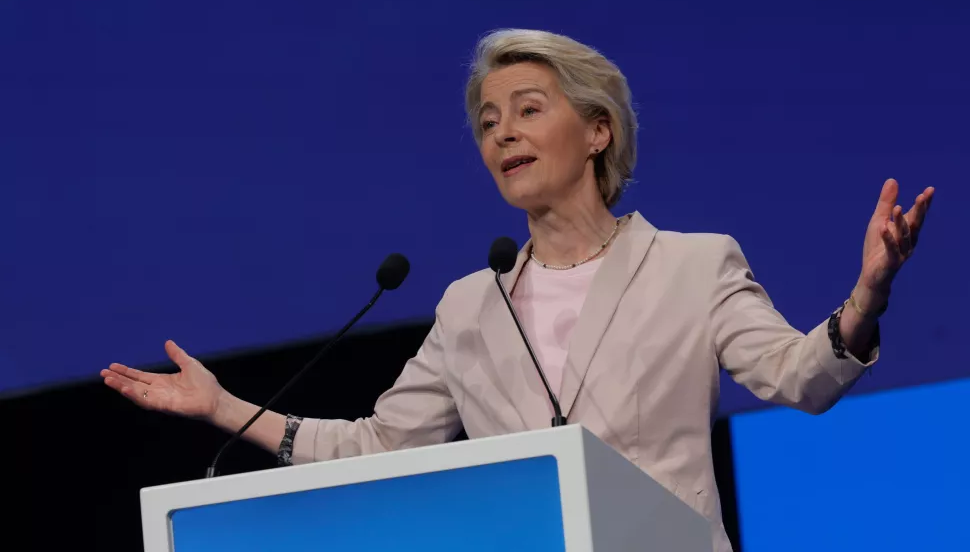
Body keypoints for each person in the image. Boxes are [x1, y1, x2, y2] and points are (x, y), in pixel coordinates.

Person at [102, 29, 934, 551]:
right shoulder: (473, 304)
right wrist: (225, 410)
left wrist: (868, 295)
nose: (503, 132)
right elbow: (378, 447)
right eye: (489, 121)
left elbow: (801, 376)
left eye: (528, 109)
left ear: (597, 129)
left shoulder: (694, 263)